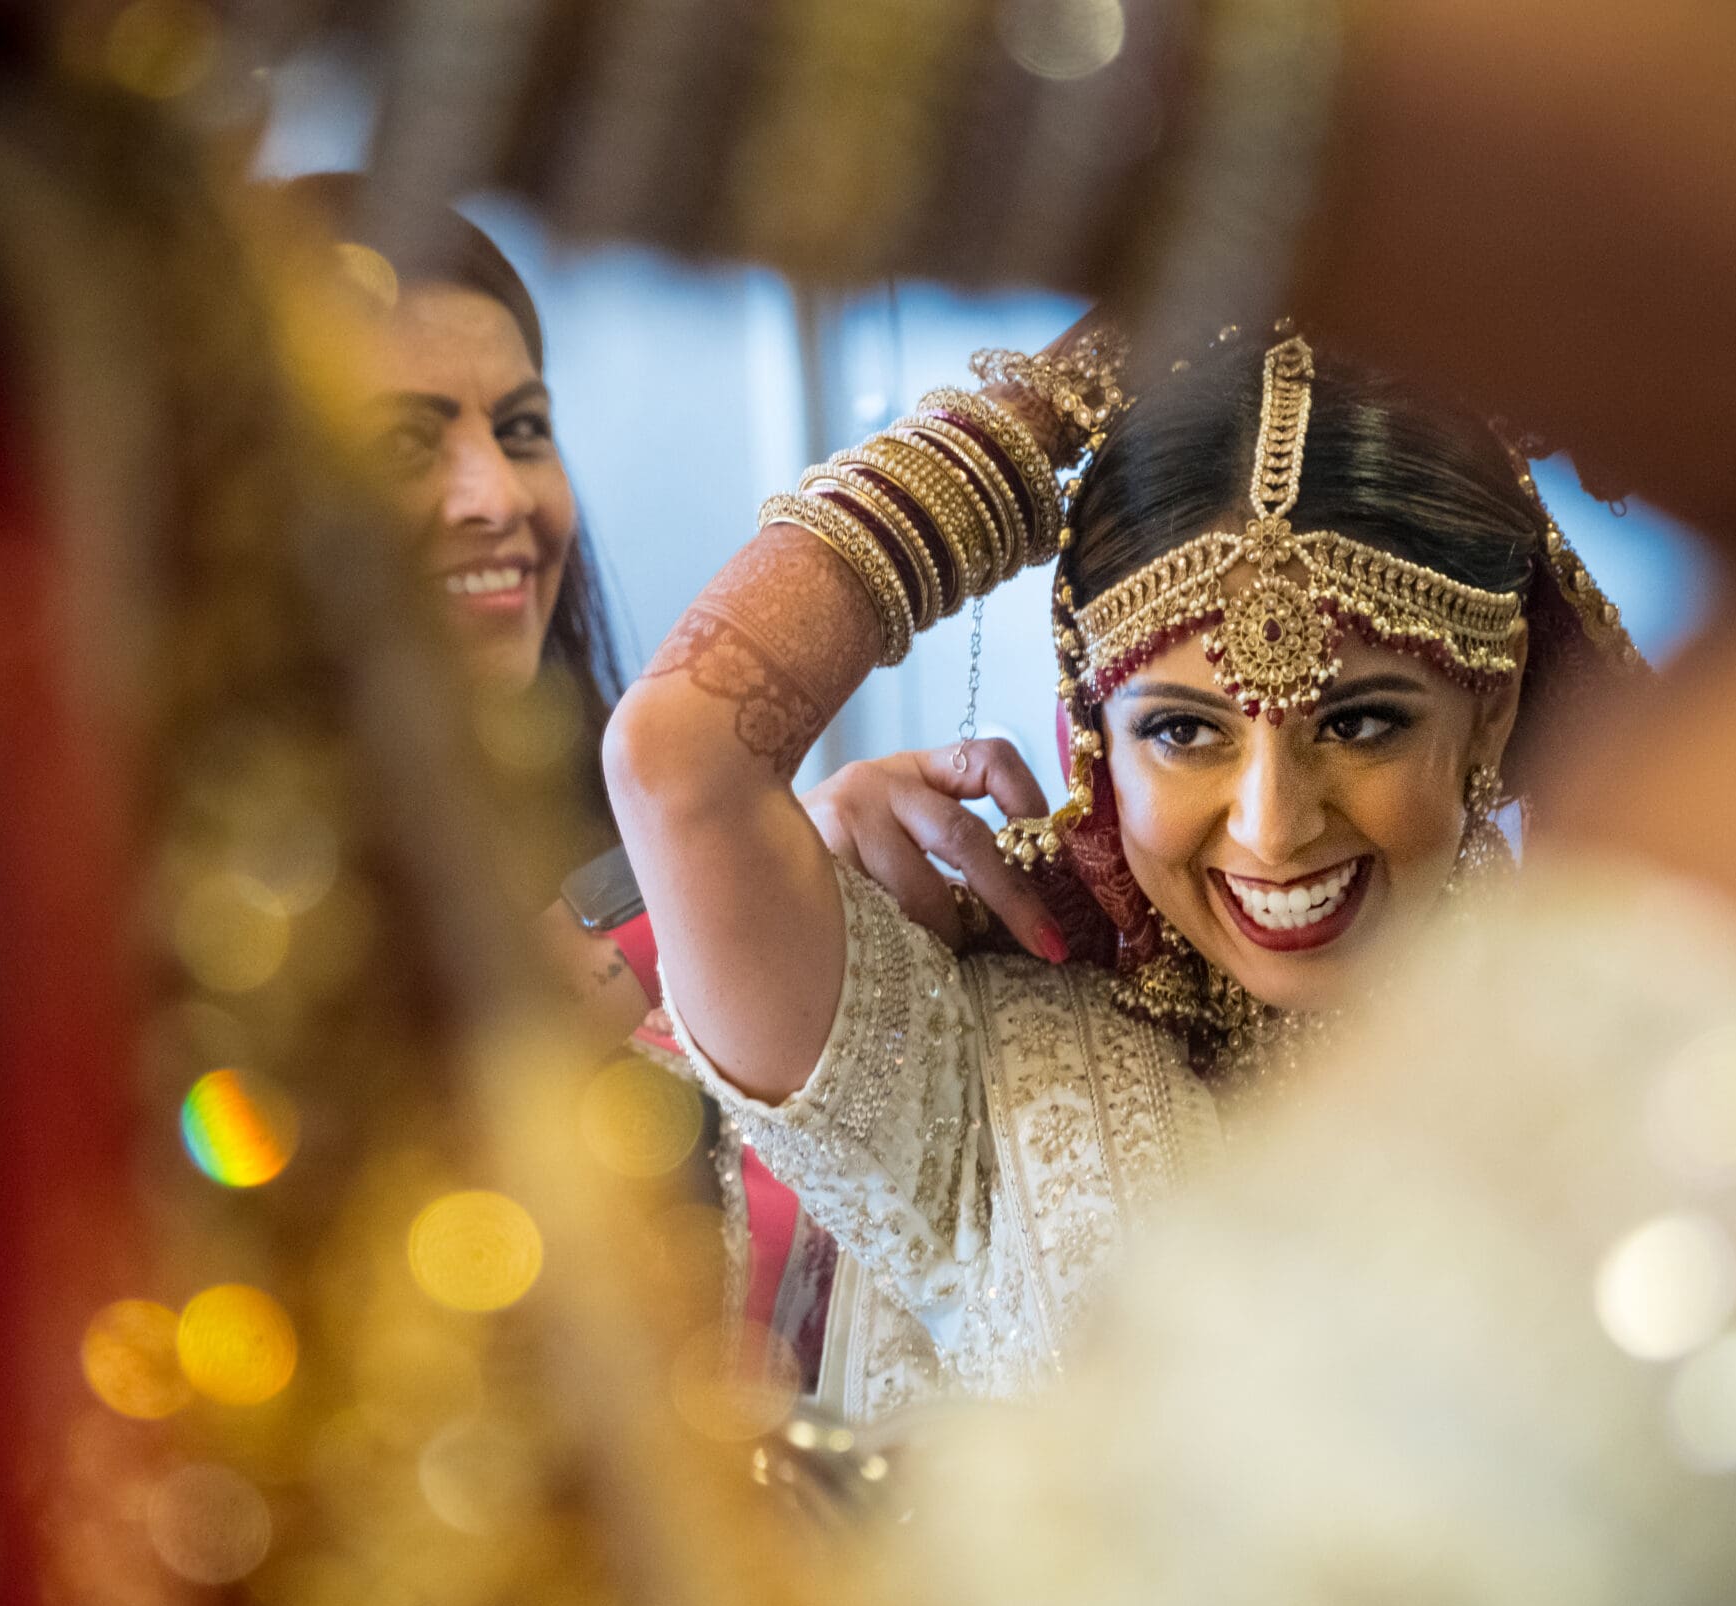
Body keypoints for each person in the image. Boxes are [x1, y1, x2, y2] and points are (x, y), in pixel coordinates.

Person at [606, 316, 1643, 1422]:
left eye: (1359, 722)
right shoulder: (968, 1046)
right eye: (1185, 734)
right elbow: (677, 757)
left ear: (1490, 710)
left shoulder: (1634, 1037)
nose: (1273, 828)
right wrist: (1052, 399)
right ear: (1096, 726)